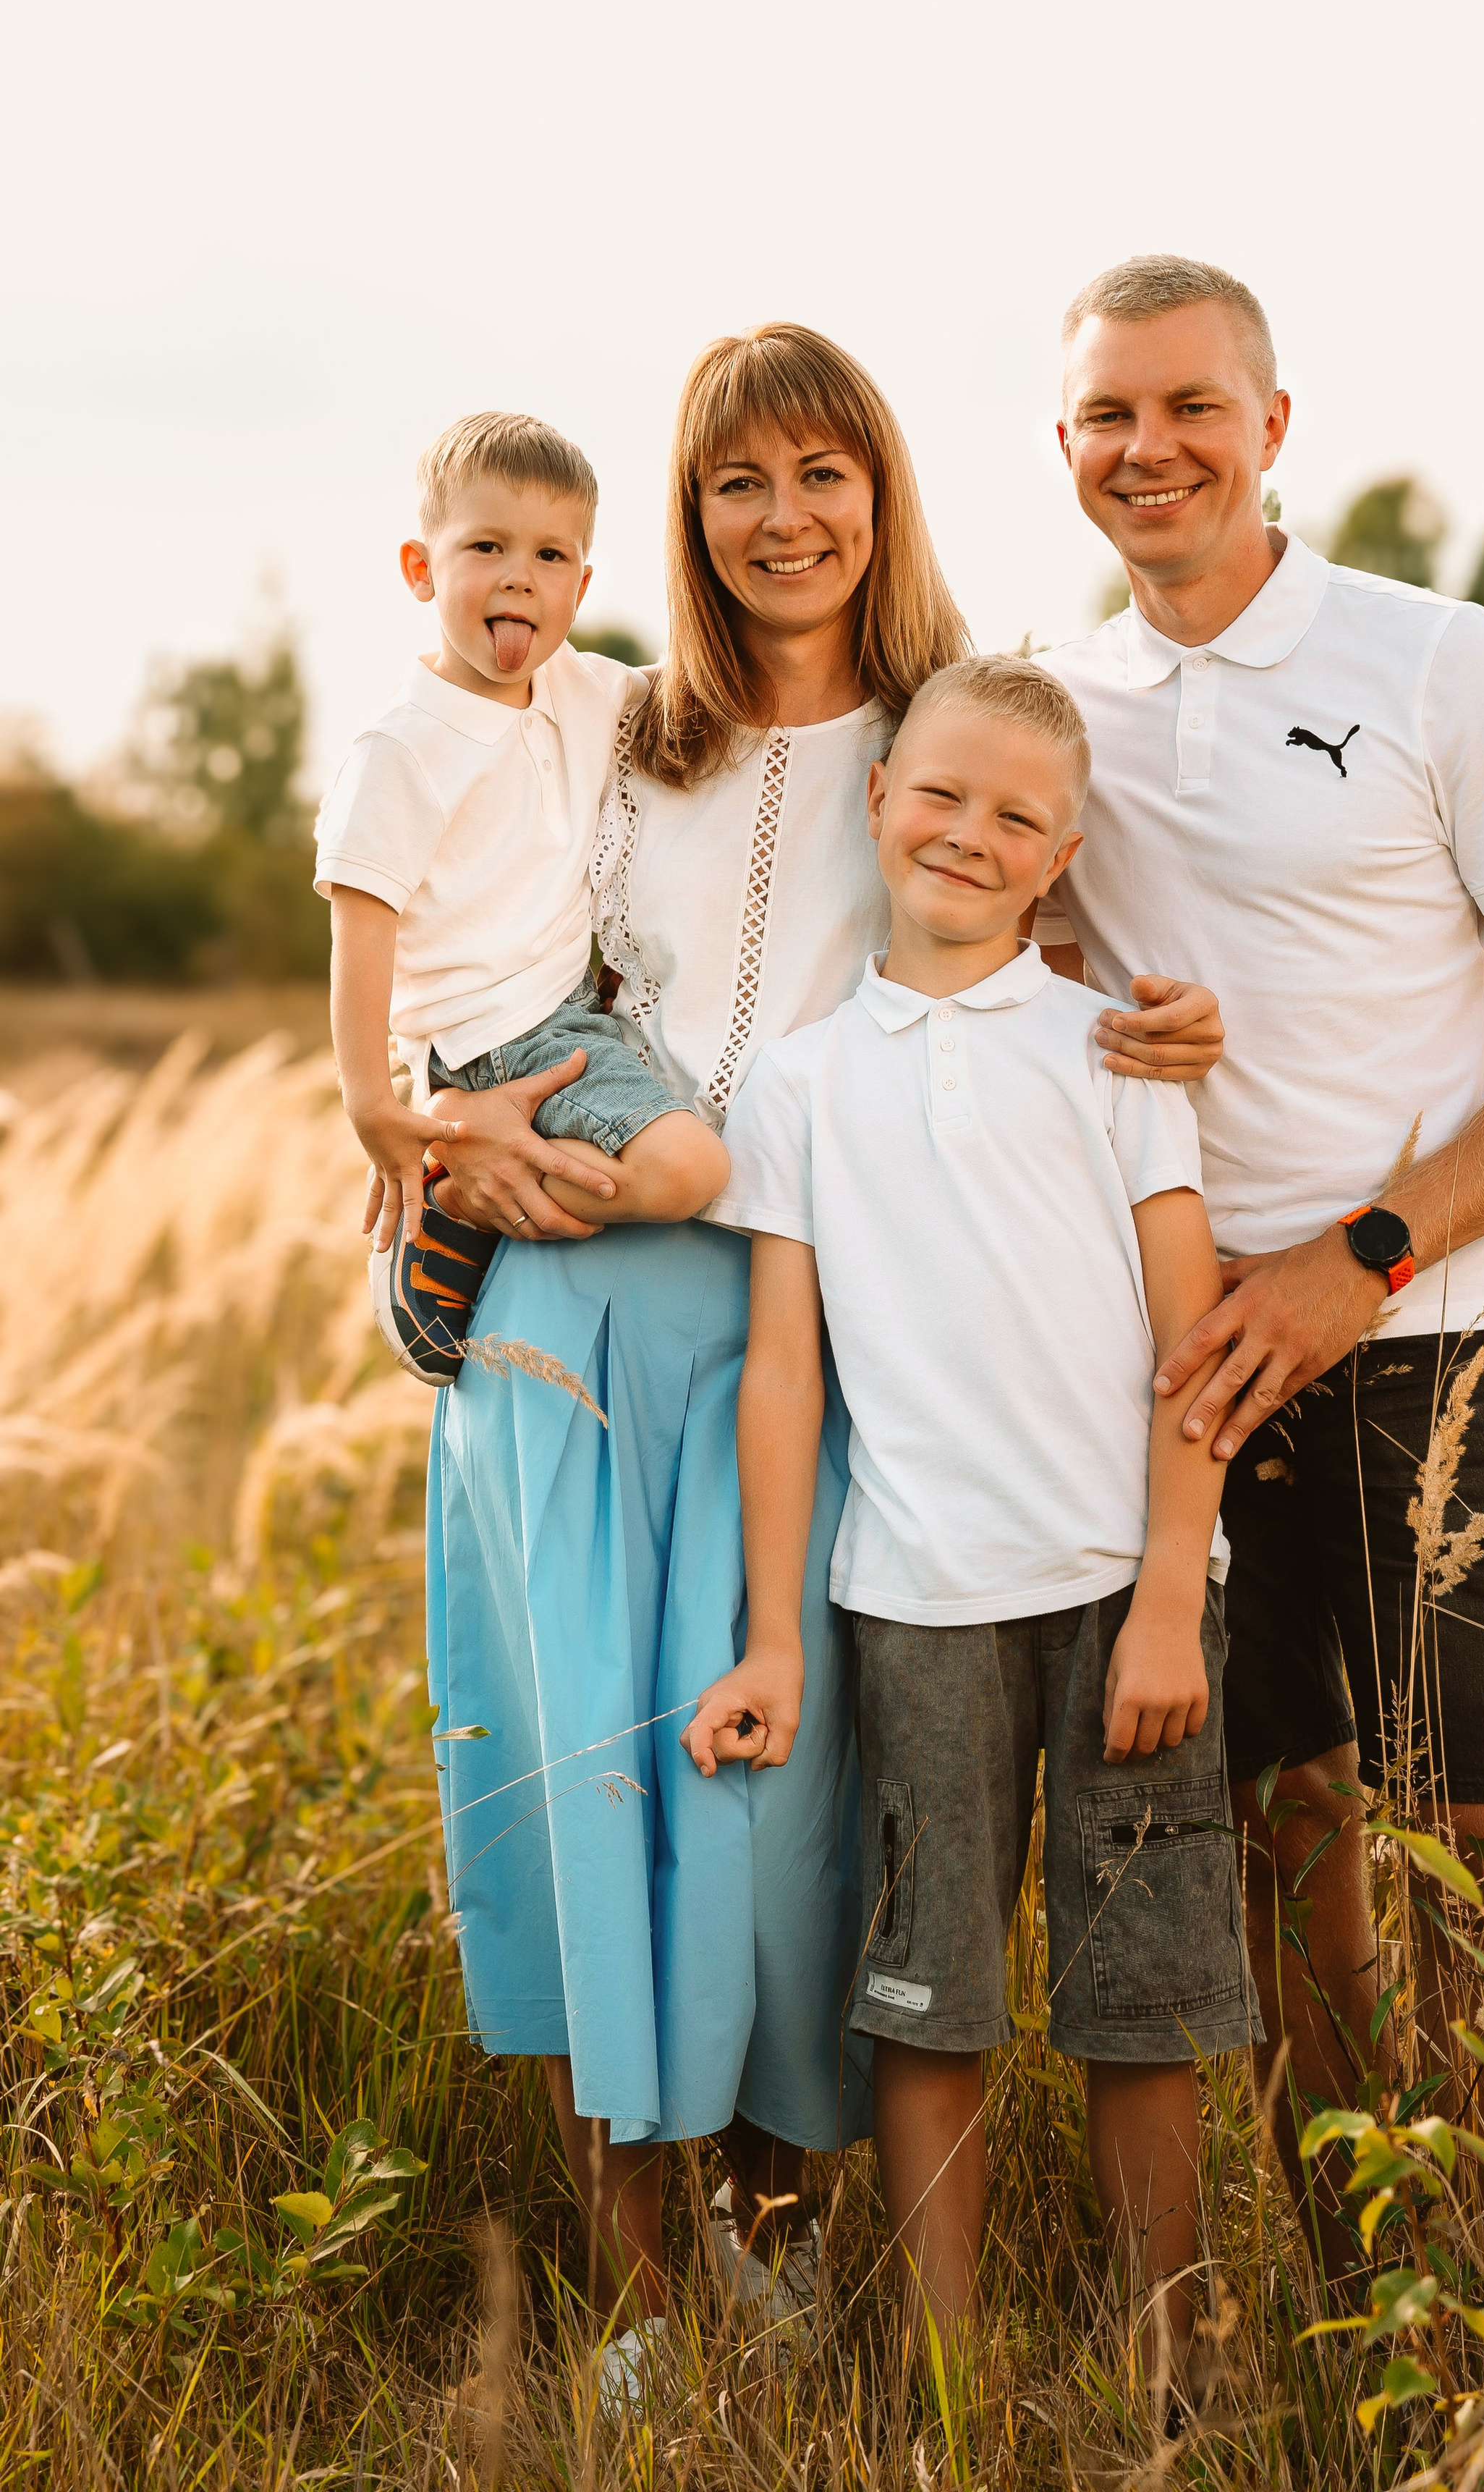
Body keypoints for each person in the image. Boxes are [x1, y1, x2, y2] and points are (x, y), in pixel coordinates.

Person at [398, 326, 1230, 2401]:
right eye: (736, 483)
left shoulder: (949, 723)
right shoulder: (603, 727)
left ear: (884, 490)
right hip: (579, 1336)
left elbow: (1089, 937)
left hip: (816, 1363)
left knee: (780, 1836)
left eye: (823, 474)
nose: (784, 519)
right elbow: (460, 951)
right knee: (597, 1809)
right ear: (687, 522)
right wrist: (427, 1162)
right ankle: (646, 2308)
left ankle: (775, 2251)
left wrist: (1179, 1023)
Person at [1036, 255, 1484, 2278]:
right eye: (1107, 419)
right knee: (1288, 1836)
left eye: (1190, 408)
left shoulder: (1436, 661)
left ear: (1275, 426)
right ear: (1067, 451)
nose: (1151, 450)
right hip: (1193, 1365)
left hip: (1424, 1335)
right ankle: (1358, 2298)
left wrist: (1358, 1263)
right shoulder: (1059, 705)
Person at [685, 654, 1260, 2386]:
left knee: (1138, 1994)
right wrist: (780, 1635)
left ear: (1061, 851)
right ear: (878, 800)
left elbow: (1191, 1342)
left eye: (1018, 817)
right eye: (938, 793)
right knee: (927, 1988)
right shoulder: (794, 1085)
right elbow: (781, 1378)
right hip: (913, 1599)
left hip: (1120, 1595)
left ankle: (1168, 2360)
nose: (968, 833)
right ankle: (955, 2363)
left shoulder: (1110, 1056)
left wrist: (1172, 1588)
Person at [315, 411, 728, 1387]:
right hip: (493, 1036)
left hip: (578, 1014)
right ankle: (453, 1195)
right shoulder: (402, 750)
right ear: (421, 571)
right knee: (695, 1172)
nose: (519, 576)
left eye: (550, 555)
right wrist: (374, 1104)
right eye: (486, 547)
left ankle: (479, 1200)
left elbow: (708, 697)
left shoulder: (585, 691)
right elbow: (361, 932)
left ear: (580, 588)